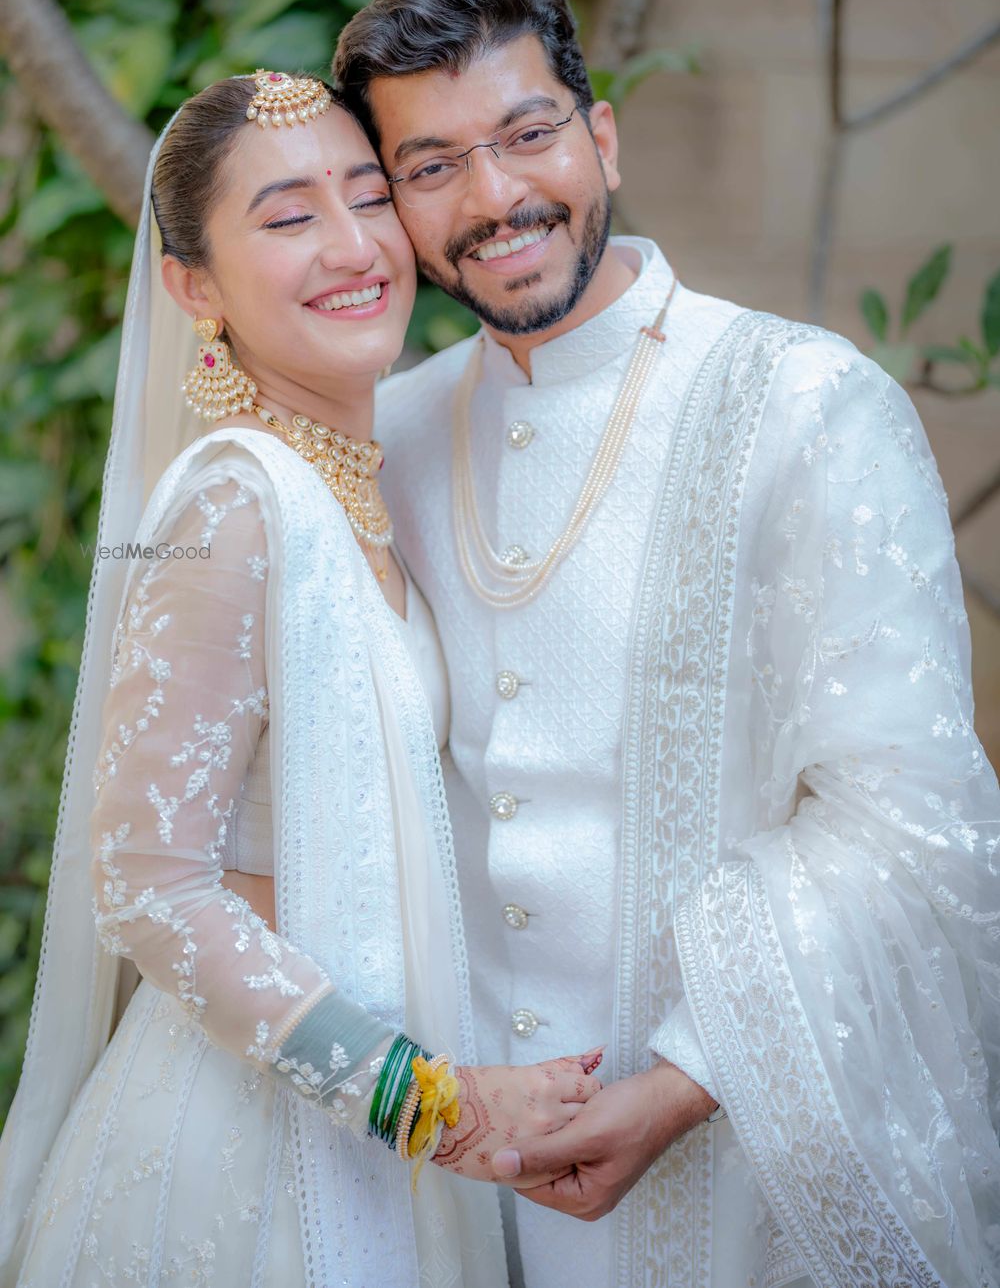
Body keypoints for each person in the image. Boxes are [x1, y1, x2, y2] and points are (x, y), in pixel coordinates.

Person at [334, 0, 1000, 1288]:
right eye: (433, 164)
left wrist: (691, 1075)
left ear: (603, 138)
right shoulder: (382, 439)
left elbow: (909, 813)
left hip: (746, 1156)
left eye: (529, 135)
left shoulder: (807, 405)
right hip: (454, 1181)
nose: (495, 197)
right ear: (391, 204)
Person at [0, 70, 606, 1288]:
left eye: (369, 197)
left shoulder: (358, 487)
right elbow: (148, 882)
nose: (353, 245)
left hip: (368, 1135)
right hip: (247, 1157)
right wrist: (431, 1106)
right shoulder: (233, 501)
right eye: (287, 217)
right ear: (193, 286)